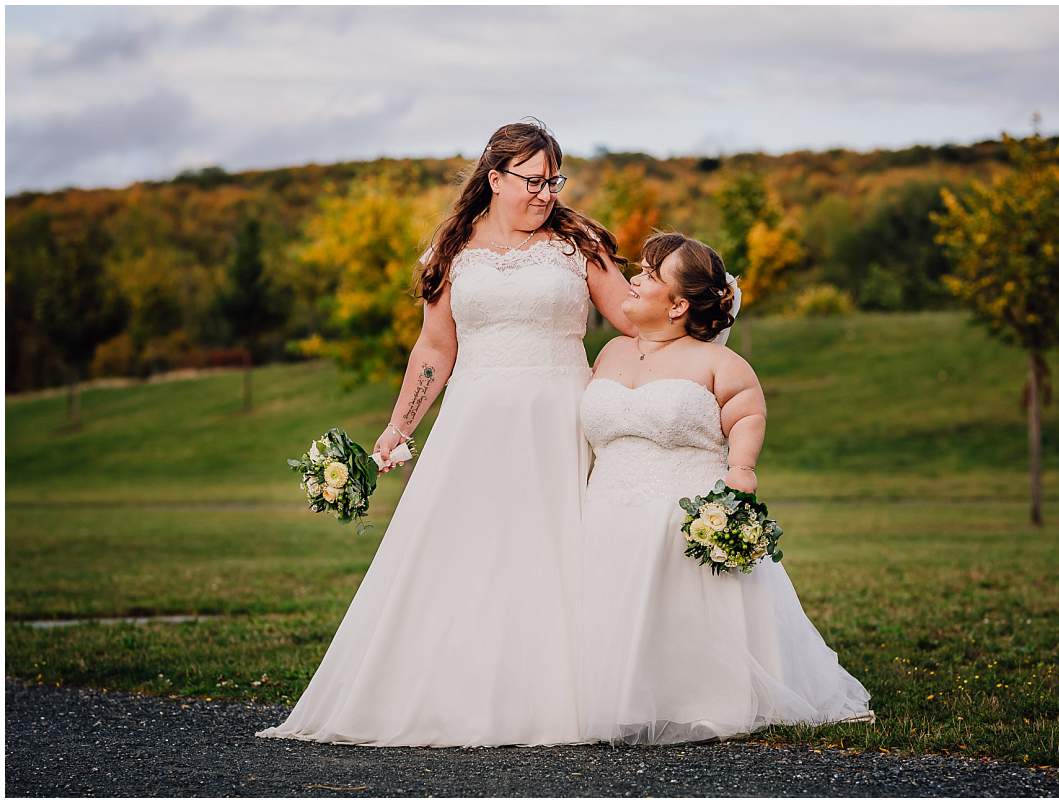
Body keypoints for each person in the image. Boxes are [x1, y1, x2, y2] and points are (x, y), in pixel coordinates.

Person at [256, 119, 637, 747]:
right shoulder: (452, 253)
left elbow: (626, 315)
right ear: (495, 179)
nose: (547, 194)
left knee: (558, 549)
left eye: (555, 181)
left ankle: (563, 695)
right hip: (476, 422)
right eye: (534, 181)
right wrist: (398, 428)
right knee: (469, 550)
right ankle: (456, 690)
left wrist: (698, 306)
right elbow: (435, 348)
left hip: (561, 415)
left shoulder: (580, 243)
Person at [575, 231, 874, 745]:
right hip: (605, 509)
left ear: (678, 305)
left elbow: (747, 413)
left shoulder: (717, 363)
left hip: (682, 510)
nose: (635, 279)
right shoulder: (611, 353)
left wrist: (742, 473)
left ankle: (695, 696)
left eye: (649, 275)